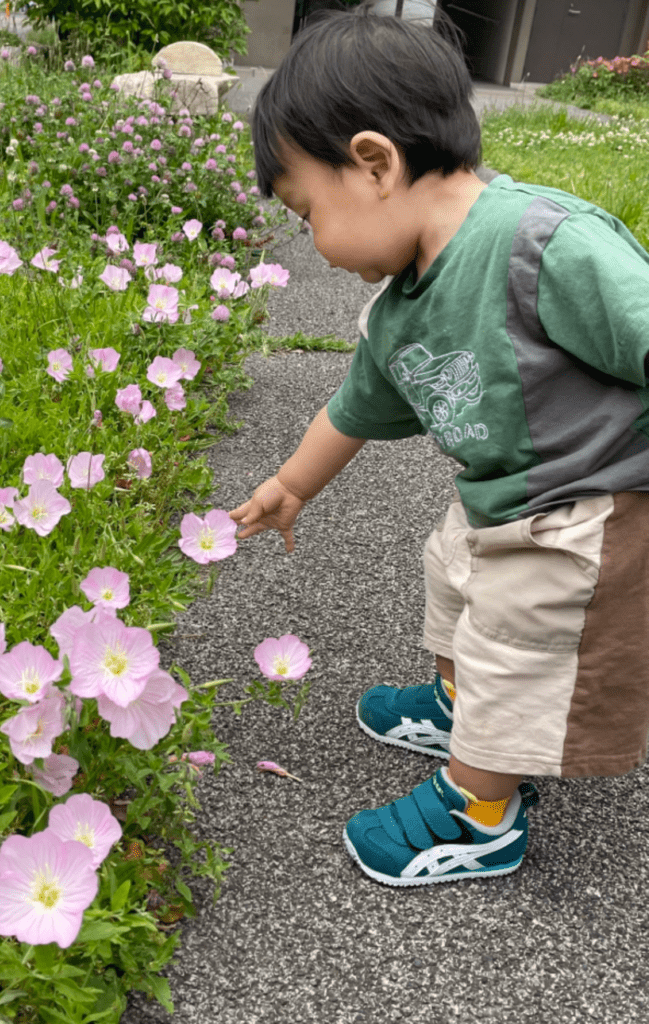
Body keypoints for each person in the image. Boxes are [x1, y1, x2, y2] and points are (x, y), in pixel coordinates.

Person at [228, 3, 649, 887]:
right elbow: (353, 408)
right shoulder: (399, 307)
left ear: (374, 163)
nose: (312, 241)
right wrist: (290, 484)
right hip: (505, 496)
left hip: (594, 507)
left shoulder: (542, 243)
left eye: (307, 210)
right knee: (452, 570)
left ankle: (482, 807)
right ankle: (466, 705)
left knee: (519, 637)